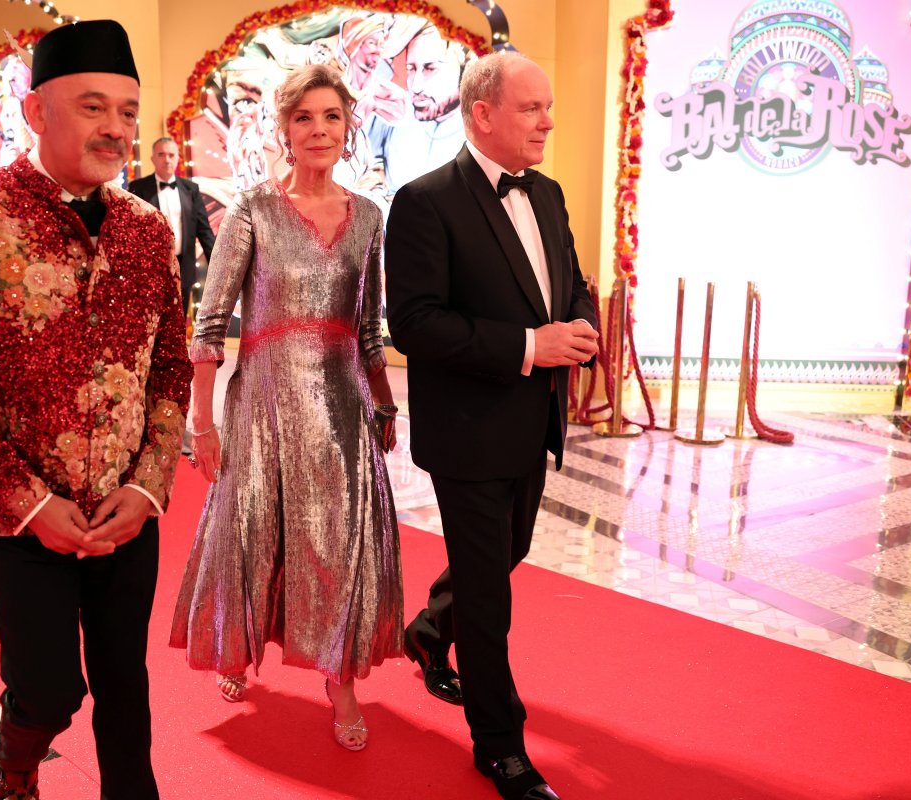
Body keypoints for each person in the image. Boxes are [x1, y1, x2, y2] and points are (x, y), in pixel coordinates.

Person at [0, 20, 190, 800]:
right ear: (36, 111)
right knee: (50, 686)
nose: (116, 128)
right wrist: (29, 502)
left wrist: (149, 485)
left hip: (125, 509)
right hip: (16, 514)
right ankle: (19, 760)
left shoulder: (148, 230)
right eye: (94, 107)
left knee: (125, 681)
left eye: (128, 112)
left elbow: (170, 369)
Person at [169, 64, 403, 753]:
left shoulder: (369, 217)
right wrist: (203, 424)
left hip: (342, 412)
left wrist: (385, 405)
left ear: (348, 127)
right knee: (254, 532)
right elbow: (210, 325)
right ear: (285, 128)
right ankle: (237, 645)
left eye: (332, 117)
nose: (319, 130)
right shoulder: (252, 210)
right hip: (264, 407)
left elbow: (368, 329)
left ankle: (341, 680)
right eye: (305, 117)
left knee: (339, 543)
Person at [384, 52, 599, 800]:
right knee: (487, 594)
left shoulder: (549, 193)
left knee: (510, 549)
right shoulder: (424, 201)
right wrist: (529, 346)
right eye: (532, 108)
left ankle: (428, 632)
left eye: (547, 107)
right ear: (483, 113)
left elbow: (571, 283)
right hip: (468, 429)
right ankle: (500, 746)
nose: (548, 122)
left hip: (531, 421)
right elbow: (414, 323)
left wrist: (581, 326)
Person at [364, 23, 467, 197]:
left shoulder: (480, 134)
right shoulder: (396, 112)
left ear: (463, 65)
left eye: (430, 68)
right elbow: (373, 168)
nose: (416, 86)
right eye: (411, 69)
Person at [130, 137, 215, 313]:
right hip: (151, 268)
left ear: (178, 158)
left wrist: (217, 266)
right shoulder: (137, 188)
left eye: (171, 155)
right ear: (153, 158)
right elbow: (132, 233)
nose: (167, 160)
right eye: (161, 154)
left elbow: (204, 231)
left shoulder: (191, 189)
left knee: (179, 320)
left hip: (184, 267)